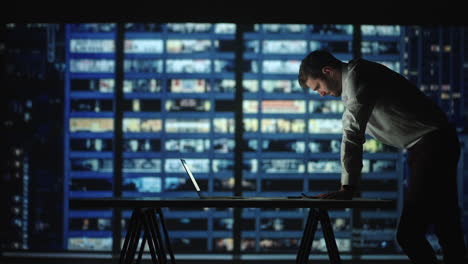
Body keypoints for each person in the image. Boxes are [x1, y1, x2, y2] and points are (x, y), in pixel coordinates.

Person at [298, 50, 466, 264]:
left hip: (432, 146)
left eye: (318, 87)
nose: (320, 93)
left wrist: (347, 188)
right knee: (446, 226)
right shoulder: (354, 87)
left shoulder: (359, 76)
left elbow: (352, 135)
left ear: (328, 71)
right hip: (427, 146)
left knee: (410, 234)